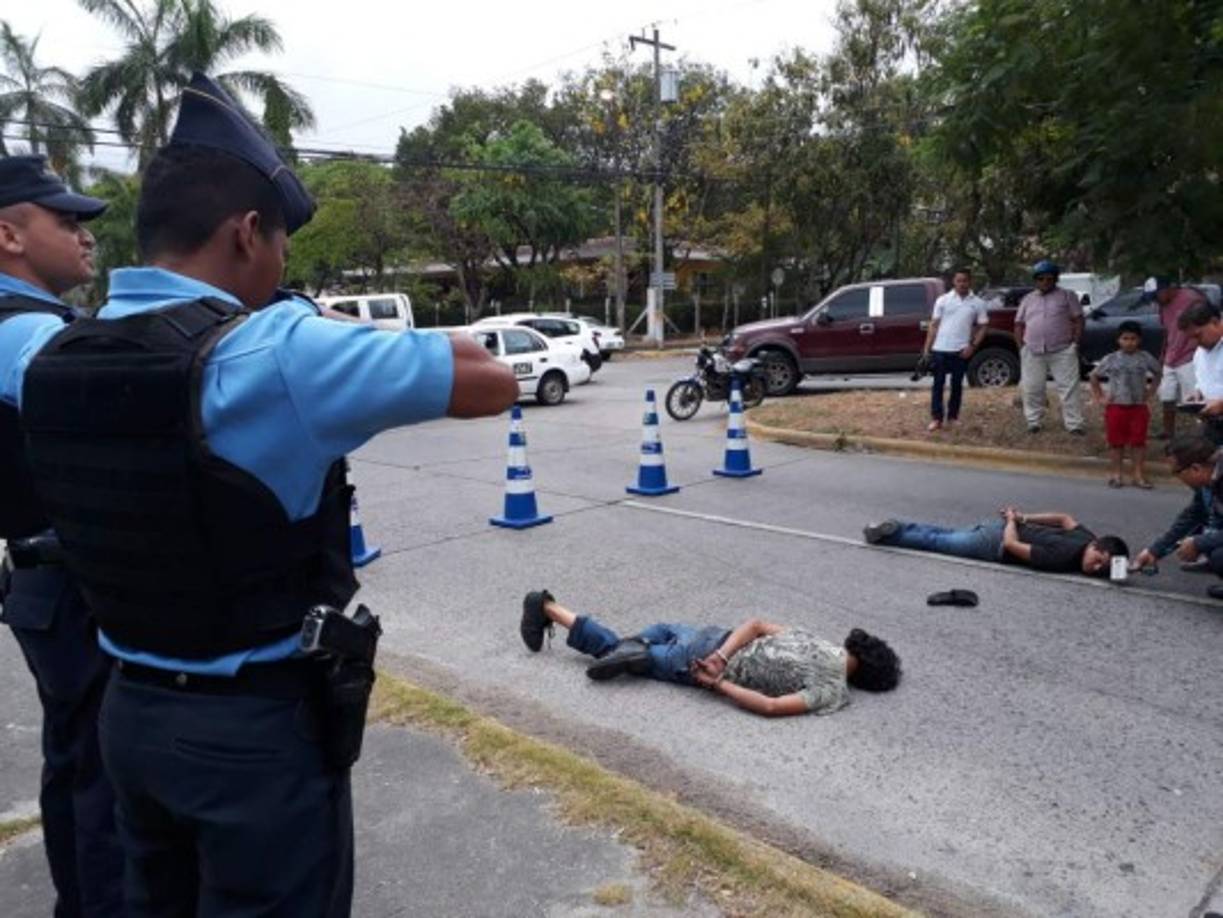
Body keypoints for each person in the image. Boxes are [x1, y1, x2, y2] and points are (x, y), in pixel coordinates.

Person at [0, 74, 518, 917]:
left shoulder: (48, 355)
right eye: (278, 243)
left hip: (127, 714)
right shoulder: (276, 354)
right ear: (246, 233)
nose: (280, 263)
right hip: (250, 738)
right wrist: (302, 321)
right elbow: (489, 379)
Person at [0, 156, 125, 917]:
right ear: (8, 235)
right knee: (104, 775)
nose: (86, 239)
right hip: (72, 585)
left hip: (52, 584)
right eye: (67, 222)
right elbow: (119, 396)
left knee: (78, 762)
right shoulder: (22, 333)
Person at [518, 591, 900, 716]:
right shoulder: (834, 692)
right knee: (621, 650)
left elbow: (755, 624)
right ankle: (550, 610)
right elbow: (771, 707)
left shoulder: (819, 640)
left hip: (718, 638)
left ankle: (638, 646)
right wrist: (718, 681)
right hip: (705, 665)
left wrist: (721, 652)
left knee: (662, 629)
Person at [863, 511, 1128, 577]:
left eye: (1101, 570)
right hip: (993, 543)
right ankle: (889, 536)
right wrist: (1014, 520)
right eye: (1098, 562)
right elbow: (1012, 546)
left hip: (993, 527)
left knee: (943, 533)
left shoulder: (1086, 537)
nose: (1094, 570)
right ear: (1097, 547)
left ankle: (897, 525)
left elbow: (1064, 517)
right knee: (937, 542)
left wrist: (1023, 516)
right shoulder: (1061, 558)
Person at [1132, 436, 1223, 597]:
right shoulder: (1208, 484)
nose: (1177, 478)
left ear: (1195, 468)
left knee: (1218, 555)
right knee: (1209, 542)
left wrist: (1198, 542)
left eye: (1177, 472)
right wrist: (1155, 551)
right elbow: (1191, 517)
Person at [1014, 259, 1085, 435]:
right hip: (1032, 350)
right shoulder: (1028, 299)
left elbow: (1079, 320)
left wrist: (1075, 343)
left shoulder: (1067, 296)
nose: (1045, 282)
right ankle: (1033, 422)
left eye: (1049, 278)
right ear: (1035, 280)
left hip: (1062, 349)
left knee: (1069, 388)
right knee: (1032, 388)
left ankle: (1074, 424)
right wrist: (1021, 347)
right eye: (1041, 279)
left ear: (1055, 279)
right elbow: (1018, 324)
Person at [1090, 320, 1162, 488]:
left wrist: (1150, 392)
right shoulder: (1111, 359)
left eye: (1133, 339)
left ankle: (1138, 474)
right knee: (1116, 443)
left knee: (1138, 442)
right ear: (1118, 340)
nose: (1129, 342)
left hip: (1138, 407)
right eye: (1125, 338)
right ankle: (1116, 474)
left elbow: (1158, 373)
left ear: (1139, 340)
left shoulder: (1145, 358)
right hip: (1116, 406)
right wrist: (1100, 397)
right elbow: (1094, 376)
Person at [922, 267, 988, 432]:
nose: (962, 284)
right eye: (959, 280)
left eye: (965, 280)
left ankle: (953, 417)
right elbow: (934, 325)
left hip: (961, 350)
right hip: (940, 349)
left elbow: (983, 327)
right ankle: (937, 419)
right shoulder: (943, 300)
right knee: (938, 385)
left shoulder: (978, 303)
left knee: (957, 385)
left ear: (970, 281)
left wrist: (972, 346)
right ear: (954, 282)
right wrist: (926, 349)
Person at [1145, 276, 1207, 439]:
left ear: (1166, 289)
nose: (1155, 301)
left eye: (1156, 296)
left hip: (1189, 357)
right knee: (1167, 396)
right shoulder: (1163, 307)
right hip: (1171, 357)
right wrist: (1162, 354)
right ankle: (1168, 431)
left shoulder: (1191, 299)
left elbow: (1205, 323)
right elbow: (1167, 332)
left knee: (1196, 399)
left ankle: (1203, 432)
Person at [1178, 299, 1223, 445]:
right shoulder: (1200, 352)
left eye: (1198, 335)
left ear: (1215, 322)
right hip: (1212, 424)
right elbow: (1204, 379)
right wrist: (1198, 393)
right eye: (1191, 338)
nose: (1195, 342)